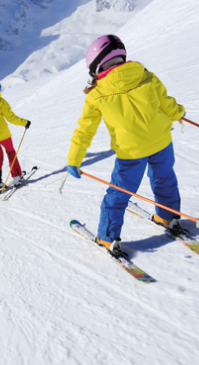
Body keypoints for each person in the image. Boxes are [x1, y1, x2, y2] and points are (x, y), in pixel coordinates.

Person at [66, 35, 186, 257]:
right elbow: (165, 102)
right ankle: (168, 217)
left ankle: (108, 238)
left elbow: (85, 131)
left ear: (96, 67)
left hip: (131, 153)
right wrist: (178, 113)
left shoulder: (96, 96)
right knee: (164, 178)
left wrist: (74, 159)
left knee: (119, 194)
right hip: (161, 142)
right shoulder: (145, 75)